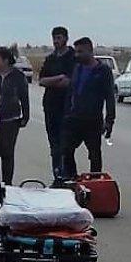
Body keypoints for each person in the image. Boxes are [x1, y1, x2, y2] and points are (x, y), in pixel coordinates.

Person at [58, 37, 116, 179]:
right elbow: (71, 92)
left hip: (92, 121)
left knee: (94, 155)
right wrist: (66, 113)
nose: (77, 55)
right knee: (66, 150)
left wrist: (109, 121)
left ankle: (95, 183)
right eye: (76, 52)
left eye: (80, 52)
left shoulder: (103, 71)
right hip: (74, 119)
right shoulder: (77, 68)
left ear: (90, 51)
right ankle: (72, 179)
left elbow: (110, 97)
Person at [0, 46, 30, 191]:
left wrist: (25, 116)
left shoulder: (18, 76)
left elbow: (24, 97)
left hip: (11, 120)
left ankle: (7, 187)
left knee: (7, 154)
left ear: (6, 60)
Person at [38, 26, 77, 178]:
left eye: (59, 38)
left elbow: (68, 82)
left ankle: (69, 176)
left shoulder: (73, 57)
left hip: (67, 107)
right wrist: (58, 78)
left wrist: (54, 80)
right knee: (54, 146)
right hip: (50, 106)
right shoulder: (50, 59)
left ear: (66, 38)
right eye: (54, 38)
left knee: (65, 146)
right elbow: (41, 80)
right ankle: (58, 176)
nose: (56, 41)